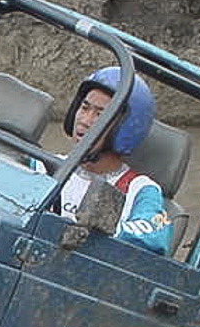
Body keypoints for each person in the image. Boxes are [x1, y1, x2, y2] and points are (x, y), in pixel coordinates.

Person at [55, 66, 172, 255]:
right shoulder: (47, 165)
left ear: (124, 128)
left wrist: (102, 229)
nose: (85, 120)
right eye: (84, 108)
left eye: (100, 114)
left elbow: (155, 236)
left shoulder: (139, 189)